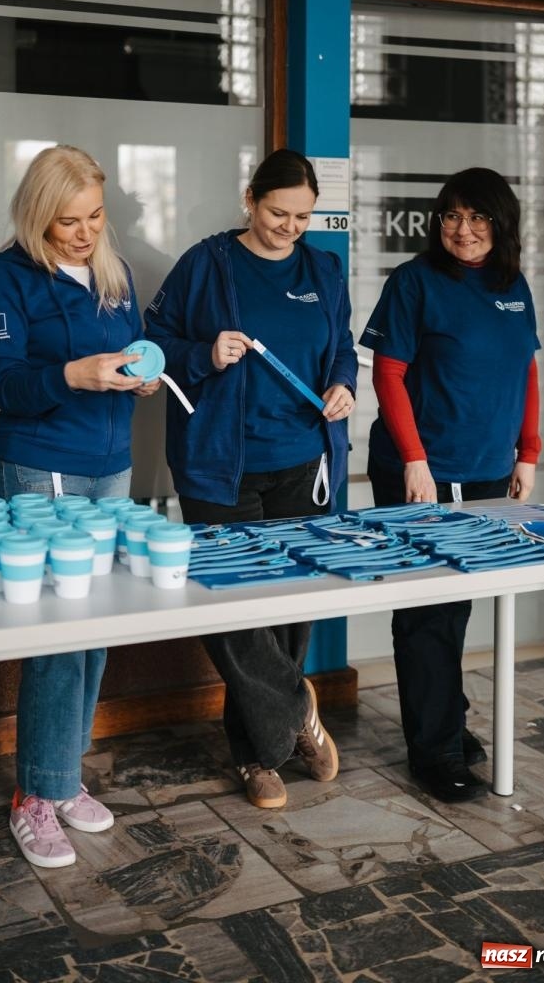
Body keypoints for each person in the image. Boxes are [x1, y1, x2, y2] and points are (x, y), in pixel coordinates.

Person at [145, 148, 357, 810]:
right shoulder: (204, 264)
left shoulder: (324, 268)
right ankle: (288, 719)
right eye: (276, 212)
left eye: (301, 216)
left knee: (290, 608)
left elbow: (341, 345)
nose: (288, 226)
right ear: (249, 199)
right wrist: (203, 354)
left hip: (303, 460)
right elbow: (152, 343)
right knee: (231, 604)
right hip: (218, 465)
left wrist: (344, 384)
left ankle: (260, 753)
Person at [0, 144, 160, 867]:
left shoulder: (114, 273)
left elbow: (133, 351)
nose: (83, 234)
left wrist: (139, 375)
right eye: (66, 223)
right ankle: (33, 795)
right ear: (36, 217)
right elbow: (7, 385)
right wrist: (74, 375)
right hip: (40, 468)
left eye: (93, 217)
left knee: (95, 627)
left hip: (110, 468)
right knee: (57, 633)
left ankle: (63, 775)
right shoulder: (7, 277)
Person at [359, 166, 541, 803]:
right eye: (453, 216)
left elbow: (527, 370)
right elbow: (388, 375)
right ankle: (433, 752)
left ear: (502, 224)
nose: (464, 230)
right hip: (423, 471)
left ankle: (445, 718)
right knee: (427, 610)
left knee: (459, 601)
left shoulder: (512, 285)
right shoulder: (414, 282)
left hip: (489, 470)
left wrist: (528, 452)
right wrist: (413, 459)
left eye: (479, 218)